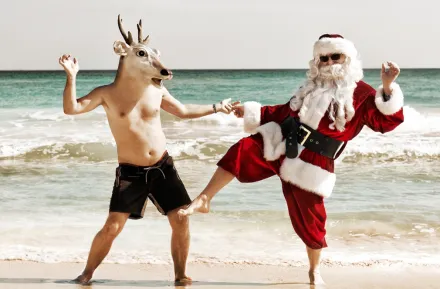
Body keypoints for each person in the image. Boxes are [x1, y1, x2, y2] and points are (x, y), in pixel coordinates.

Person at [178, 34, 404, 285]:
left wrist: (387, 87)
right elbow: (284, 112)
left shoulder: (362, 93)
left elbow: (385, 122)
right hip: (284, 142)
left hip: (314, 162)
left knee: (311, 221)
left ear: (347, 58)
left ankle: (314, 270)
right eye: (323, 58)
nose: (329, 63)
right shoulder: (310, 87)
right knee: (243, 149)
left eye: (335, 57)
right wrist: (253, 111)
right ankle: (204, 198)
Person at [58, 15, 239, 285]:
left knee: (181, 219)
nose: (153, 61)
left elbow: (184, 111)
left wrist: (216, 107)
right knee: (112, 227)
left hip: (163, 167)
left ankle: (180, 276)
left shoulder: (157, 90)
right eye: (143, 55)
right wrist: (72, 77)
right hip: (130, 173)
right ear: (123, 53)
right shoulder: (105, 93)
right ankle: (86, 275)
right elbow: (71, 108)